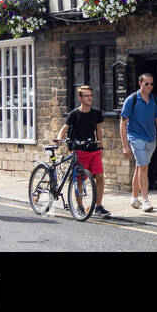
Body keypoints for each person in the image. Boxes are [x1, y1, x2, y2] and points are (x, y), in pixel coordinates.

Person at [56, 84, 110, 217]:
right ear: (80, 98)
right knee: (79, 179)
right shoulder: (74, 114)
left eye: (91, 95)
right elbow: (65, 127)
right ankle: (79, 206)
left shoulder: (96, 113)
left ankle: (98, 206)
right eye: (87, 96)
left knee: (100, 177)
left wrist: (100, 146)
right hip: (79, 150)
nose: (90, 98)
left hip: (93, 149)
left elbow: (98, 130)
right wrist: (59, 138)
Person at [119, 73, 157, 212]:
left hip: (151, 140)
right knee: (144, 167)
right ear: (140, 84)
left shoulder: (155, 100)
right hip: (135, 138)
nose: (149, 87)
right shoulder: (132, 100)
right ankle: (145, 200)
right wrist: (125, 145)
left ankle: (134, 199)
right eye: (146, 84)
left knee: (140, 167)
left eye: (151, 84)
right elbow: (123, 124)